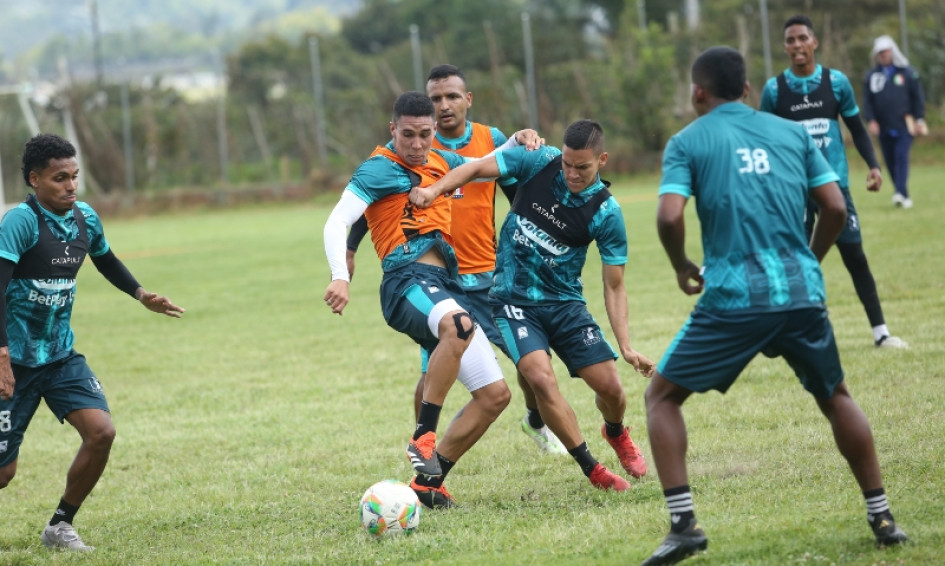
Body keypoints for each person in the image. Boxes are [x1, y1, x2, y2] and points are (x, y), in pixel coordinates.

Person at [641, 46, 908, 566]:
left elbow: (669, 217)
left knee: (661, 397)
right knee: (836, 396)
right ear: (746, 89)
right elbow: (833, 207)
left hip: (733, 299)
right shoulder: (791, 133)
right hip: (800, 293)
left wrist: (680, 264)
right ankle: (882, 516)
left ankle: (684, 524)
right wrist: (810, 261)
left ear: (698, 92)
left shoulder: (687, 141)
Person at [410, 119, 654, 492]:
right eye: (568, 164)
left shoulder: (607, 213)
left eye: (582, 167)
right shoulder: (539, 160)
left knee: (611, 390)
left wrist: (625, 345)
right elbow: (476, 167)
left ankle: (616, 431)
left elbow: (614, 284)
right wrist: (434, 191)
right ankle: (593, 469)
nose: (571, 173)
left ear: (602, 160)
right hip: (512, 300)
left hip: (566, 305)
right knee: (540, 379)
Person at [323, 91, 540, 509]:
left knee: (495, 396)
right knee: (458, 325)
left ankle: (429, 483)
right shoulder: (378, 169)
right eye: (408, 135)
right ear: (393, 130)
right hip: (406, 282)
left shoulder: (440, 161)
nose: (418, 144)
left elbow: (482, 165)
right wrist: (339, 276)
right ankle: (423, 435)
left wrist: (517, 140)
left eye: (425, 135)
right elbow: (337, 220)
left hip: (445, 287)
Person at [345, 64, 566, 455]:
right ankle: (423, 446)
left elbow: (518, 195)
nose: (444, 105)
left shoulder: (490, 139)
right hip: (436, 281)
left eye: (451, 96)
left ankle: (534, 420)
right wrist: (349, 249)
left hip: (488, 276)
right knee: (431, 369)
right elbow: (374, 207)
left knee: (528, 361)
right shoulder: (406, 153)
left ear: (468, 99)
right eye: (435, 99)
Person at [0, 133, 185, 552]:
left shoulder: (85, 217)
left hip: (60, 355)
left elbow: (104, 259)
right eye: (59, 178)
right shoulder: (20, 222)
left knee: (101, 432)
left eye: (74, 177)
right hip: (15, 360)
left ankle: (59, 526)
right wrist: (2, 355)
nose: (70, 186)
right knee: (3, 474)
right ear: (34, 180)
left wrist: (142, 295)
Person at [760, 14, 907, 350]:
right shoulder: (775, 90)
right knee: (798, 260)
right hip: (794, 191)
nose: (797, 45)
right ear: (785, 47)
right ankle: (796, 331)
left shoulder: (836, 82)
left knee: (855, 256)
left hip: (834, 188)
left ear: (814, 42)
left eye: (802, 38)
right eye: (790, 40)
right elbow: (764, 139)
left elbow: (856, 127)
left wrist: (873, 165)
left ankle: (881, 332)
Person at [862, 35, 927, 209]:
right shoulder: (871, 76)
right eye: (880, 52)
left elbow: (917, 98)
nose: (883, 55)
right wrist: (871, 120)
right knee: (890, 161)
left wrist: (919, 118)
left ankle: (899, 193)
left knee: (901, 157)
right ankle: (903, 194)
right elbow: (867, 101)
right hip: (883, 126)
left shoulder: (908, 73)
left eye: (886, 51)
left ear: (893, 51)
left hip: (905, 125)